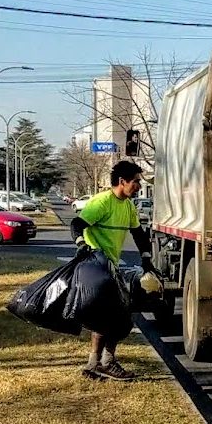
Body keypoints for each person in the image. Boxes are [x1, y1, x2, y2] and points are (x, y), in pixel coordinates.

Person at [69, 161, 155, 381]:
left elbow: (139, 235)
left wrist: (147, 260)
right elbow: (77, 224)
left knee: (110, 316)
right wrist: (81, 244)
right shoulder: (102, 202)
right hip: (94, 267)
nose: (138, 185)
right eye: (136, 181)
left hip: (110, 267)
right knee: (117, 315)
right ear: (122, 182)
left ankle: (95, 364)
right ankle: (105, 362)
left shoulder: (127, 206)